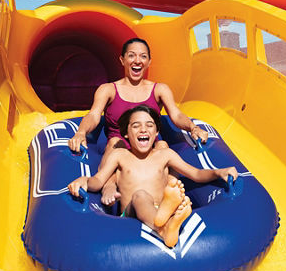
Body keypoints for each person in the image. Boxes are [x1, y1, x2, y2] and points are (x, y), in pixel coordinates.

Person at [68, 106, 238, 249]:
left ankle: (168, 215)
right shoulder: (119, 155)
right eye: (135, 126)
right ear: (125, 133)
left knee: (177, 195)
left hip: (160, 210)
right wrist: (85, 180)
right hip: (130, 215)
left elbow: (196, 174)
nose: (143, 129)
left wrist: (218, 172)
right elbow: (98, 181)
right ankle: (164, 229)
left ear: (156, 132)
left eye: (149, 125)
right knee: (140, 196)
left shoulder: (165, 155)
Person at [67, 36, 210, 203]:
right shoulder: (108, 90)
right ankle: (109, 186)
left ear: (149, 62)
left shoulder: (159, 89)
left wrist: (193, 128)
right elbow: (93, 115)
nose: (138, 61)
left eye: (143, 56)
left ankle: (171, 188)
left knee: (163, 145)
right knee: (114, 142)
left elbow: (176, 115)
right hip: (119, 145)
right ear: (122, 60)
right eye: (131, 55)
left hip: (148, 145)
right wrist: (81, 132)